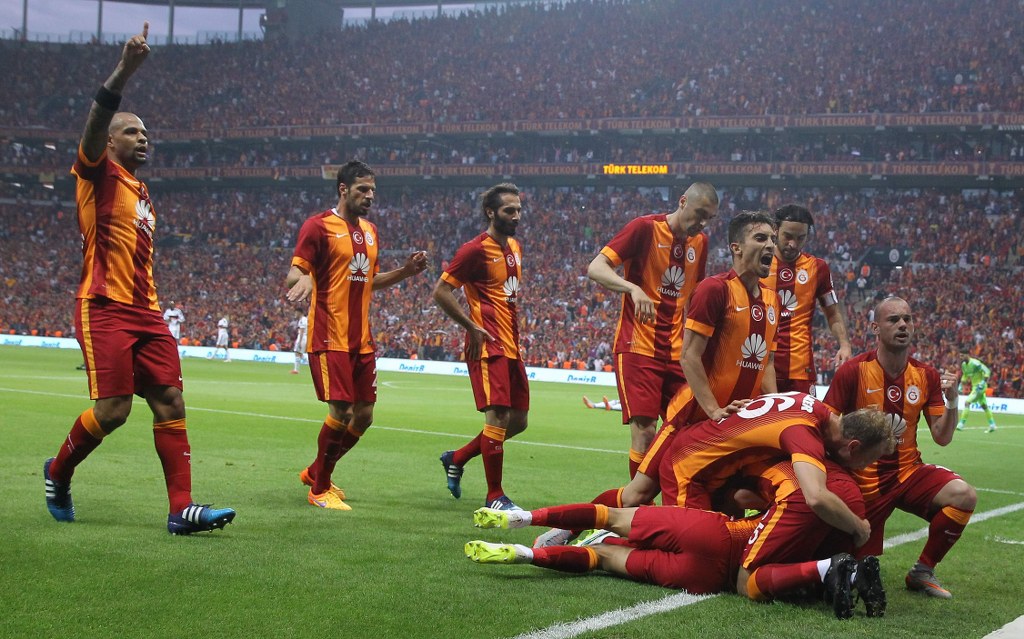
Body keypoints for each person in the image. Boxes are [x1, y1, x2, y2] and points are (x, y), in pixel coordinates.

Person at [42, 23, 235, 535]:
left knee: (170, 401)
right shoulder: (96, 172)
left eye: (146, 133)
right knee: (113, 410)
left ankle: (181, 509)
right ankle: (58, 472)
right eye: (132, 131)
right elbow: (95, 121)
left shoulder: (142, 191)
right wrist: (125, 70)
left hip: (146, 312)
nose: (143, 137)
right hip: (104, 305)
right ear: (109, 141)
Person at [465, 455, 891, 620]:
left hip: (708, 553)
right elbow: (604, 530)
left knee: (608, 535)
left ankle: (525, 536)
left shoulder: (603, 548)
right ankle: (521, 537)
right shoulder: (835, 491)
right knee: (608, 539)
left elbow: (598, 549)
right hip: (711, 559)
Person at [286, 159, 427, 511]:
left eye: (373, 190)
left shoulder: (371, 231)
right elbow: (294, 274)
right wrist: (306, 278)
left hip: (361, 339)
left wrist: (405, 271)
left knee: (364, 415)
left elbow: (370, 281)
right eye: (363, 189)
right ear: (343, 189)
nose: (370, 196)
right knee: (341, 410)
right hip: (329, 334)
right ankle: (319, 489)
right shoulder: (318, 226)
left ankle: (316, 471)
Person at [824, 296, 975, 599]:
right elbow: (827, 428)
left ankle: (922, 571)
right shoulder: (853, 371)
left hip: (908, 473)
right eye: (893, 320)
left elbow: (942, 437)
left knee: (964, 495)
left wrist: (953, 402)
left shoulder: (926, 376)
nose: (903, 325)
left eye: (907, 319)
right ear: (875, 328)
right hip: (864, 481)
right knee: (848, 570)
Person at [586, 183, 718, 478]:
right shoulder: (644, 228)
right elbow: (596, 267)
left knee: (690, 428)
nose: (702, 223)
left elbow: (695, 296)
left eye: (709, 218)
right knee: (645, 432)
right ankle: (638, 504)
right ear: (682, 202)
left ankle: (675, 498)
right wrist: (632, 288)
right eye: (699, 213)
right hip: (638, 347)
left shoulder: (701, 243)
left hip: (678, 353)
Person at [435, 183, 527, 511]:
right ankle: (495, 496)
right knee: (498, 416)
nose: (516, 216)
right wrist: (470, 326)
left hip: (512, 345)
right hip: (487, 345)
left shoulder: (514, 246)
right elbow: (441, 291)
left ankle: (457, 457)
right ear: (491, 212)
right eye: (509, 211)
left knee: (518, 421)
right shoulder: (474, 250)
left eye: (518, 210)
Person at [761, 204, 851, 393]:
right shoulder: (758, 263)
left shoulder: (818, 268)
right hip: (760, 366)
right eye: (788, 236)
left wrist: (844, 344)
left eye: (800, 238)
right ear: (775, 230)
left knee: (804, 414)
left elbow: (833, 313)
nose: (793, 244)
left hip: (800, 368)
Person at [957, 350, 996, 432]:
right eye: (960, 356)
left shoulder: (976, 363)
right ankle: (992, 424)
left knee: (967, 402)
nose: (961, 357)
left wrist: (983, 382)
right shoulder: (964, 365)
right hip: (975, 386)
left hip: (980, 387)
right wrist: (961, 384)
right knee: (984, 406)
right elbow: (965, 375)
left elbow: (987, 371)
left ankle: (961, 424)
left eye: (962, 355)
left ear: (967, 355)